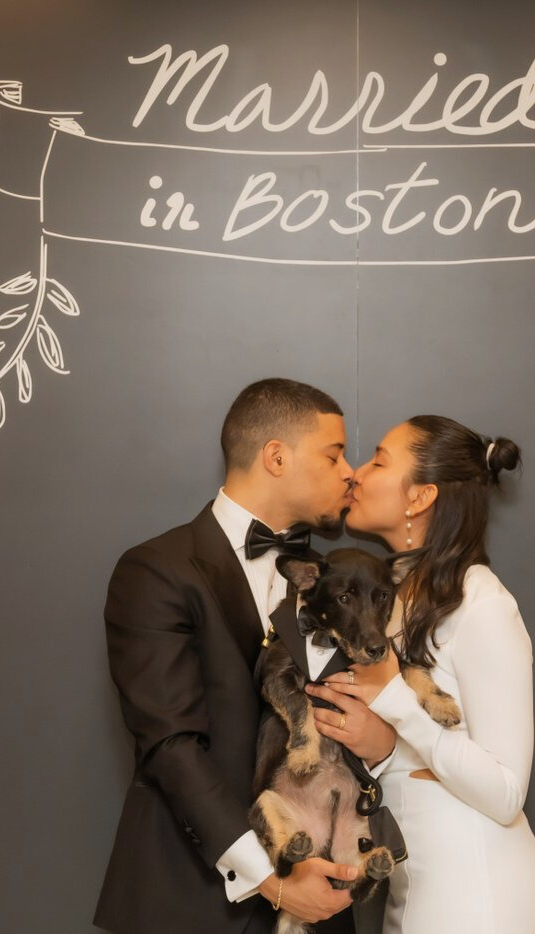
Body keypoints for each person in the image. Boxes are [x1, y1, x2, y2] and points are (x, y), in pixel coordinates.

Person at [94, 378, 389, 934]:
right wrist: (271, 879)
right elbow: (169, 744)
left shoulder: (339, 580)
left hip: (324, 890)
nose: (350, 471)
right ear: (276, 457)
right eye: (333, 455)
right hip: (192, 896)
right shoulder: (156, 570)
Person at [305, 414, 535, 934]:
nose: (355, 474)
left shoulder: (482, 604)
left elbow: (506, 792)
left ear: (419, 497)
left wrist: (396, 702)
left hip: (479, 895)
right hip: (416, 887)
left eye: (377, 461)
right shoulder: (389, 604)